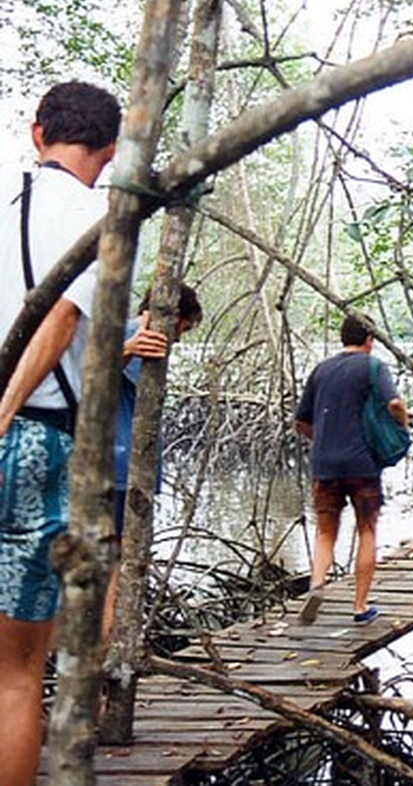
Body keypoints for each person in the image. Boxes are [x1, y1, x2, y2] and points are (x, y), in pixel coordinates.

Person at [0, 81, 121, 786]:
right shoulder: (98, 217)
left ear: (38, 132)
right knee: (16, 674)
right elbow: (63, 319)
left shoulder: (8, 199)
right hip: (38, 437)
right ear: (106, 153)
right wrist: (8, 407)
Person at [103, 285, 203, 643]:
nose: (179, 339)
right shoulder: (136, 336)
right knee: (112, 576)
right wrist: (129, 350)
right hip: (119, 471)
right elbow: (91, 378)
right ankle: (100, 678)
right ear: (177, 319)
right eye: (185, 329)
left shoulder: (129, 335)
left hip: (119, 468)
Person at [294, 315, 408, 625]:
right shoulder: (374, 367)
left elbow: (302, 421)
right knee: (367, 529)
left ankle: (317, 585)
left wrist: (326, 440)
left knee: (326, 531)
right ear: (370, 340)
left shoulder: (321, 370)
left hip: (325, 463)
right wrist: (403, 425)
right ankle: (360, 607)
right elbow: (394, 403)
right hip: (362, 464)